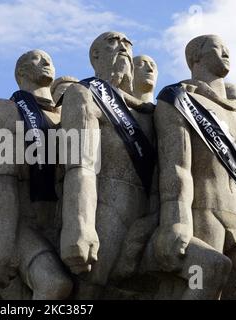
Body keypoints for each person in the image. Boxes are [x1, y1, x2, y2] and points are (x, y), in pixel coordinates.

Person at [154, 34, 236, 299]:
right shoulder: (178, 99)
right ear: (196, 56)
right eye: (218, 48)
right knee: (202, 281)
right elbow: (177, 167)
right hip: (202, 212)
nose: (226, 52)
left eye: (228, 48)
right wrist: (177, 220)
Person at [59, 31, 158, 299]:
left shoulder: (154, 113)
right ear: (96, 55)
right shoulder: (83, 95)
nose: (124, 47)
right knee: (90, 289)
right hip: (105, 210)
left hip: (150, 215)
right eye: (114, 42)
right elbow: (80, 166)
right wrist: (80, 225)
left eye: (128, 44)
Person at [0, 50, 73, 299]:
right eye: (37, 59)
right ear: (20, 72)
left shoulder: (71, 115)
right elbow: (2, 183)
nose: (46, 62)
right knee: (54, 284)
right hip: (24, 224)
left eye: (50, 60)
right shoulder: (5, 110)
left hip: (63, 221)